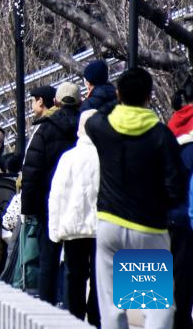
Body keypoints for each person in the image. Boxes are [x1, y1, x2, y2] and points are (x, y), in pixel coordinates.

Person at [87, 68, 186, 329]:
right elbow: (175, 188)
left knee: (111, 305)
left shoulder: (103, 128)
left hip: (110, 223)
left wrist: (115, 101)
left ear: (118, 94)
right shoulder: (161, 135)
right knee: (153, 304)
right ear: (149, 97)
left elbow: (93, 118)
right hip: (148, 227)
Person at [21, 81, 81, 306]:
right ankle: (74, 308)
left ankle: (47, 306)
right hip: (82, 205)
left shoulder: (45, 128)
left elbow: (31, 172)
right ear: (80, 101)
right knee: (77, 261)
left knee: (48, 257)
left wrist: (29, 208)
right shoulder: (87, 129)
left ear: (55, 101)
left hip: (50, 203)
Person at [48, 109, 101, 326]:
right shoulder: (108, 155)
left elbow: (57, 194)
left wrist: (55, 230)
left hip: (73, 226)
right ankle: (96, 318)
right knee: (101, 278)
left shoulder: (68, 157)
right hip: (102, 227)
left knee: (74, 276)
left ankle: (73, 319)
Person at [167, 84, 193, 329]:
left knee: (148, 297)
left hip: (154, 218)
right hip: (184, 217)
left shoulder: (167, 129)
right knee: (183, 282)